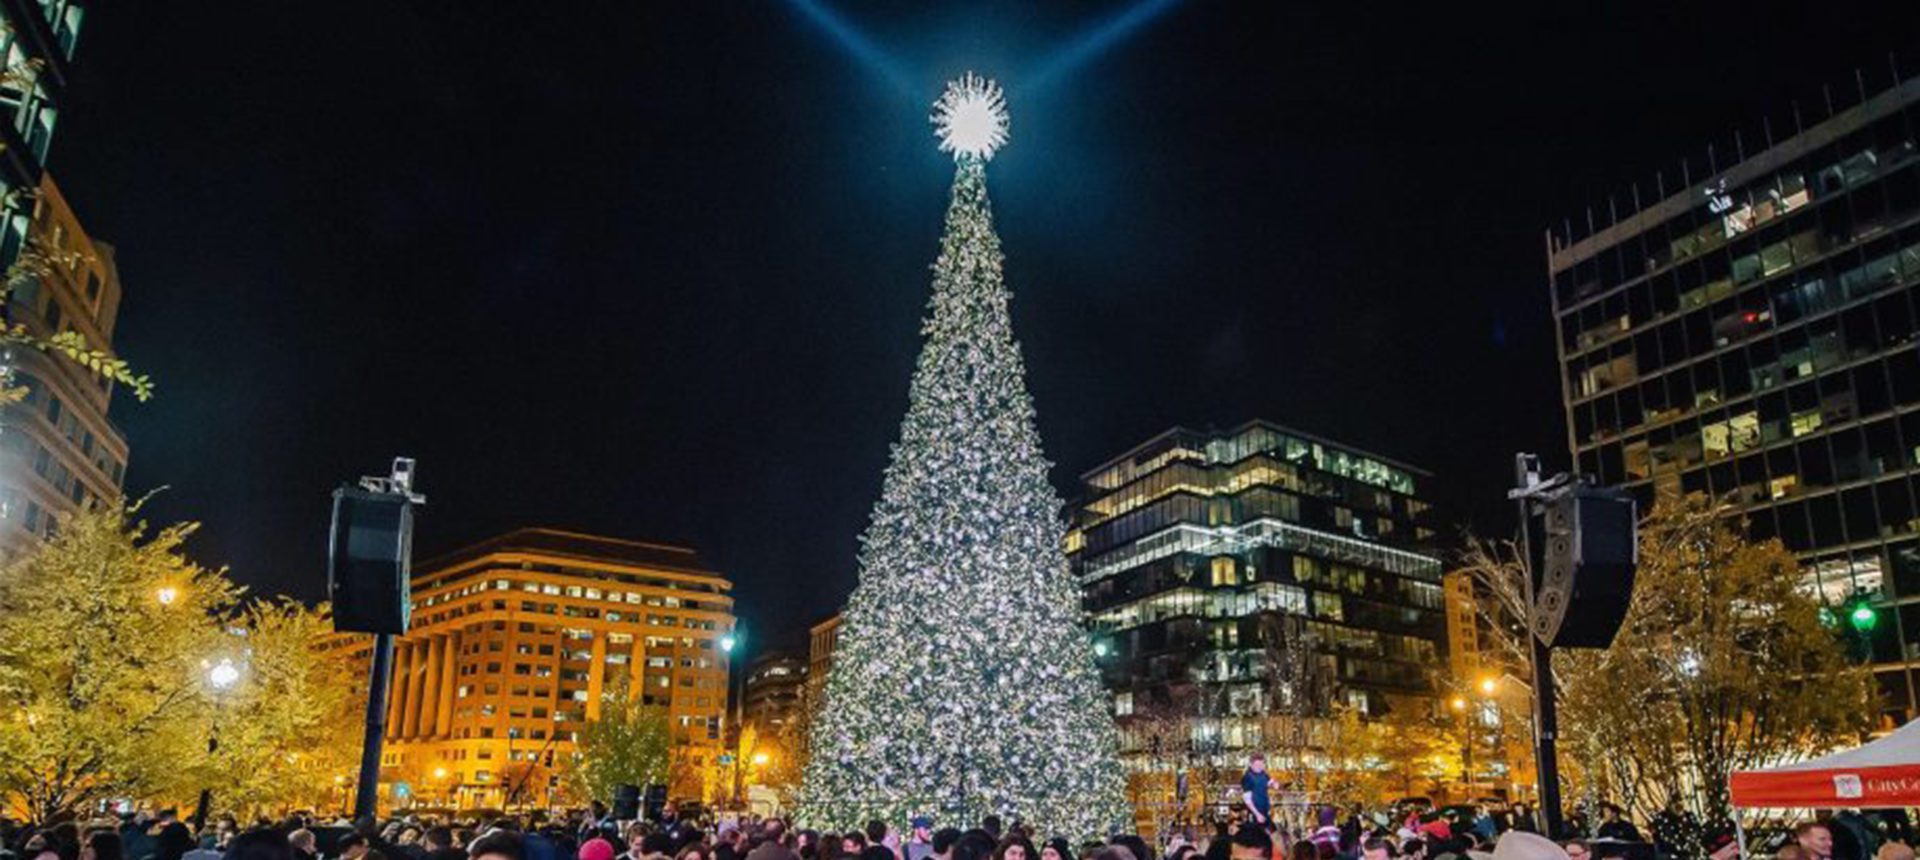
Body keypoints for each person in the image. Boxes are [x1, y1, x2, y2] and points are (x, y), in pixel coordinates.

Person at [1241, 755, 1272, 832]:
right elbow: (1247, 799)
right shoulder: (1248, 777)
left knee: (1267, 833)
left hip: (1264, 810)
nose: (1260, 767)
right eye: (1257, 765)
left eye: (1262, 764)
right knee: (1255, 833)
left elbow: (1270, 782)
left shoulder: (1263, 774)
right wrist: (1257, 814)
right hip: (1255, 812)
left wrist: (1275, 784)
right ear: (1251, 765)